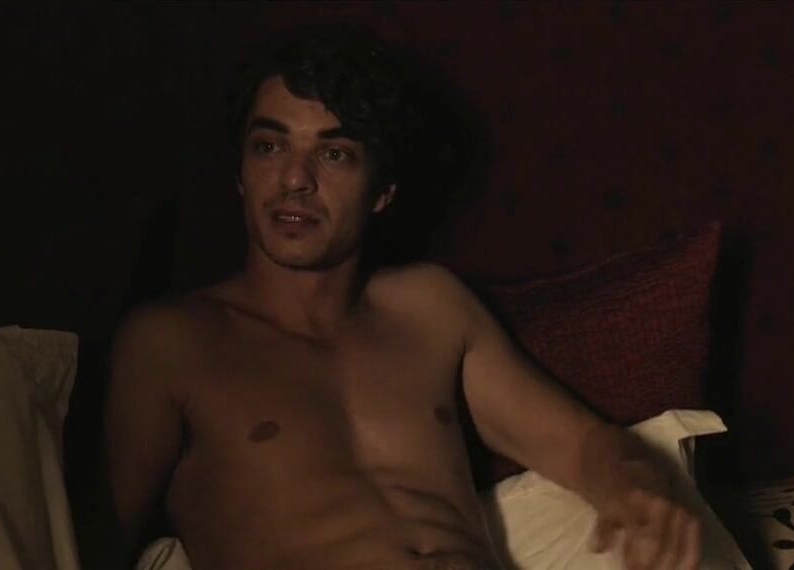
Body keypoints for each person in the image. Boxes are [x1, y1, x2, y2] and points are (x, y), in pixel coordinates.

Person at [105, 28, 701, 570]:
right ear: (240, 172)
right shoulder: (173, 342)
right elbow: (88, 541)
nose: (294, 179)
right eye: (269, 146)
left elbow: (581, 445)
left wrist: (635, 486)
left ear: (382, 191)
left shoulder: (431, 308)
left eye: (334, 154)